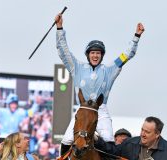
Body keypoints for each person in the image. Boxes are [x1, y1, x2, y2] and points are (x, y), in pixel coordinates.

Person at [55, 13, 145, 157]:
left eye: (98, 53)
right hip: (83, 111)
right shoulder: (76, 67)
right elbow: (63, 52)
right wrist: (59, 28)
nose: (95, 55)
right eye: (92, 53)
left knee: (109, 140)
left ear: (101, 55)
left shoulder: (110, 69)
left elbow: (127, 55)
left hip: (100, 111)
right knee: (66, 140)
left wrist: (136, 36)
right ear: (88, 54)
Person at [94, 116, 167, 160]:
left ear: (157, 134)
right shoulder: (129, 143)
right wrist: (96, 139)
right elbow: (111, 150)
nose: (142, 134)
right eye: (142, 129)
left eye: (147, 132)